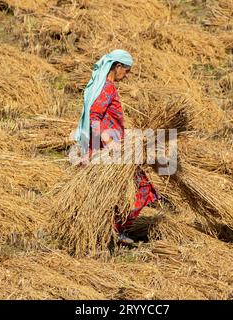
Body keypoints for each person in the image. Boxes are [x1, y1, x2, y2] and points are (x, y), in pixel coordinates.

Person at [73, 49, 160, 245]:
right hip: (109, 151)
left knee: (115, 192)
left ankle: (108, 231)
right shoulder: (108, 88)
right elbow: (95, 117)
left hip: (104, 148)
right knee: (143, 188)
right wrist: (109, 142)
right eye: (126, 71)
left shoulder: (99, 85)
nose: (126, 76)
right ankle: (116, 231)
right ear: (117, 66)